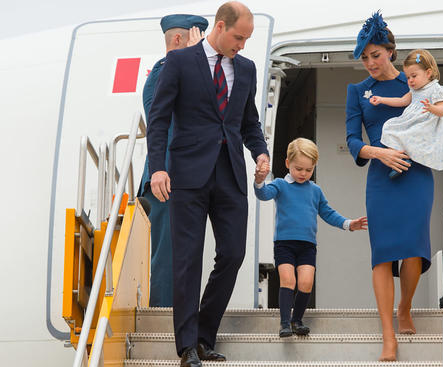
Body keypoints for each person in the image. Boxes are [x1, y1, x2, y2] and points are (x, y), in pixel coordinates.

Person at [146, 2, 270, 367]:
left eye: (247, 39)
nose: (242, 45)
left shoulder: (245, 69)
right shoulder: (180, 62)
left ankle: (203, 336)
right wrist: (158, 168)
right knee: (187, 260)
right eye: (238, 37)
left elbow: (249, 122)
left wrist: (260, 155)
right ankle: (186, 347)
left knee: (233, 254)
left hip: (230, 172)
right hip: (187, 174)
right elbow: (159, 117)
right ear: (219, 26)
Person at [345, 11, 433, 361]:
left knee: (414, 249)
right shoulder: (358, 91)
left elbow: (434, 124)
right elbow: (353, 140)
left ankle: (405, 306)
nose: (369, 63)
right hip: (381, 178)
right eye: (364, 57)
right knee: (382, 254)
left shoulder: (413, 84)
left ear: (391, 53)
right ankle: (387, 335)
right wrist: (379, 152)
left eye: (375, 55)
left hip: (416, 174)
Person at [253, 138, 368, 337]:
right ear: (288, 164)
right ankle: (285, 323)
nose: (303, 174)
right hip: (284, 244)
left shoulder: (315, 190)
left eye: (308, 170)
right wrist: (259, 180)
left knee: (306, 282)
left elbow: (328, 213)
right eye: (299, 169)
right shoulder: (280, 185)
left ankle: (297, 320)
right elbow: (263, 195)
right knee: (288, 280)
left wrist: (349, 224)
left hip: (307, 246)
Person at [138, 14, 208, 308]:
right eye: (199, 41)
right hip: (166, 179)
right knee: (168, 255)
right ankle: (165, 319)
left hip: (181, 179)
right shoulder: (165, 71)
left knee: (181, 254)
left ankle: (179, 318)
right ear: (179, 40)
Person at [369, 49, 443, 178]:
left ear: (428, 73)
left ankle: (408, 157)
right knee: (389, 126)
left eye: (414, 76)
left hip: (426, 122)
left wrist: (431, 108)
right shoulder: (414, 91)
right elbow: (402, 101)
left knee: (413, 135)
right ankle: (401, 157)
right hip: (413, 120)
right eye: (408, 77)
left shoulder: (437, 90)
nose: (410, 80)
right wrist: (382, 100)